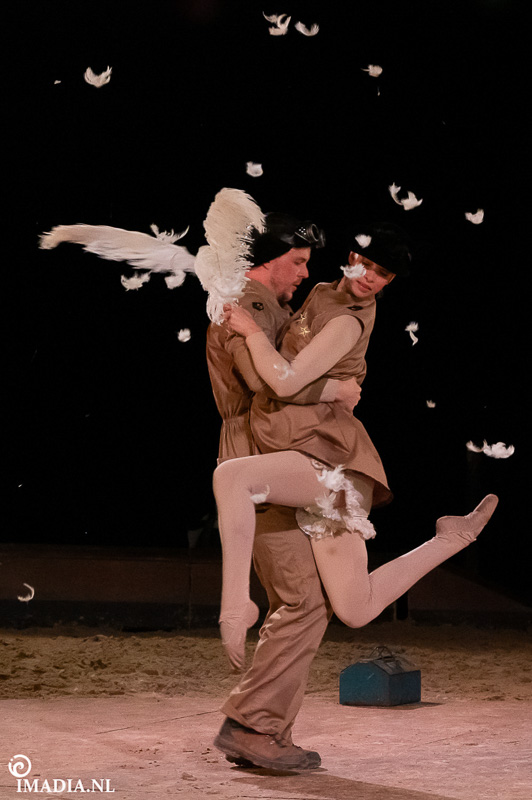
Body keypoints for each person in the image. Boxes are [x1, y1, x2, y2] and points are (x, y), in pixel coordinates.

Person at [213, 221, 499, 672]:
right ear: (351, 257)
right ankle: (452, 537)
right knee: (356, 608)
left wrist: (251, 333)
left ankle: (235, 607)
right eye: (366, 264)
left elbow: (283, 381)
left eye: (383, 274)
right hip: (312, 452)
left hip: (333, 460)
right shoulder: (322, 293)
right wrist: (334, 388)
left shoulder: (347, 320)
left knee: (233, 478)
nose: (370, 277)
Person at [208, 212, 361, 770]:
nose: (303, 274)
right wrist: (335, 389)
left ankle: (261, 727)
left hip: (270, 456)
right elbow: (262, 382)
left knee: (302, 601)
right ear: (265, 259)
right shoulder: (247, 303)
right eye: (296, 262)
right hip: (259, 457)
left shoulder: (266, 306)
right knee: (303, 600)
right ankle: (254, 726)